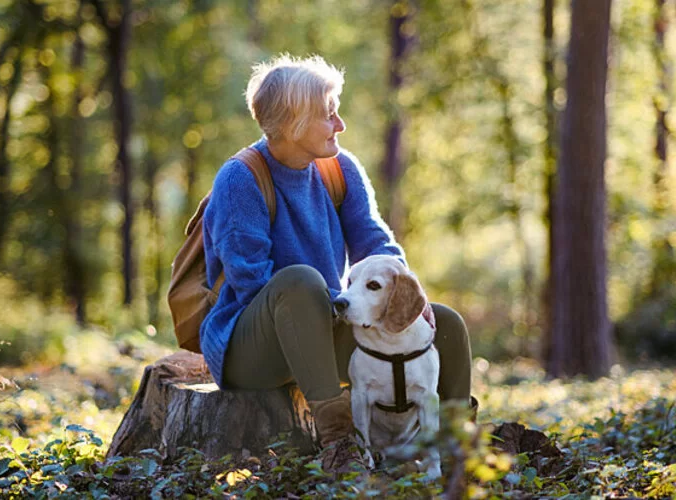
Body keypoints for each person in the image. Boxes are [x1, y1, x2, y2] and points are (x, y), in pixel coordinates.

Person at [200, 54, 473, 473]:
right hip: (253, 347)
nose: (340, 124)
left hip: (327, 324)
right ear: (293, 122)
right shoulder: (241, 179)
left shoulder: (340, 169)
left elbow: (378, 244)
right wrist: (340, 302)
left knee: (445, 323)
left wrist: (407, 296)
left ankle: (454, 449)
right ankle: (340, 444)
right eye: (329, 115)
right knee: (300, 282)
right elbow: (252, 281)